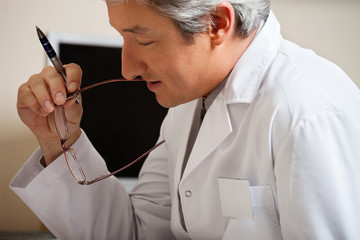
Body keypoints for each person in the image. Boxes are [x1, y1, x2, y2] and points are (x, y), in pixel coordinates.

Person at [11, 0, 360, 239]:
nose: (127, 69)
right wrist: (60, 139)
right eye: (122, 36)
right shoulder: (188, 103)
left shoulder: (309, 111)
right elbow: (136, 232)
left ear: (217, 24)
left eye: (143, 40)